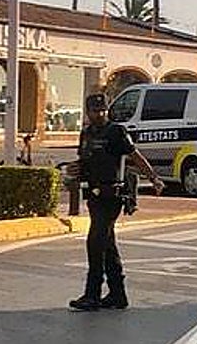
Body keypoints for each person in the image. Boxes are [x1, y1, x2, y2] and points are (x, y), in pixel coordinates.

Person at [70, 92, 164, 311]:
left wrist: (154, 178)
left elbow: (135, 156)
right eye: (94, 111)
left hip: (112, 194)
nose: (99, 114)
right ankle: (117, 294)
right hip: (93, 194)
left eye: (102, 110)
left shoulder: (116, 132)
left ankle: (92, 295)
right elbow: (85, 160)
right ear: (88, 112)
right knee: (107, 246)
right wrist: (76, 169)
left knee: (95, 242)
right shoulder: (86, 134)